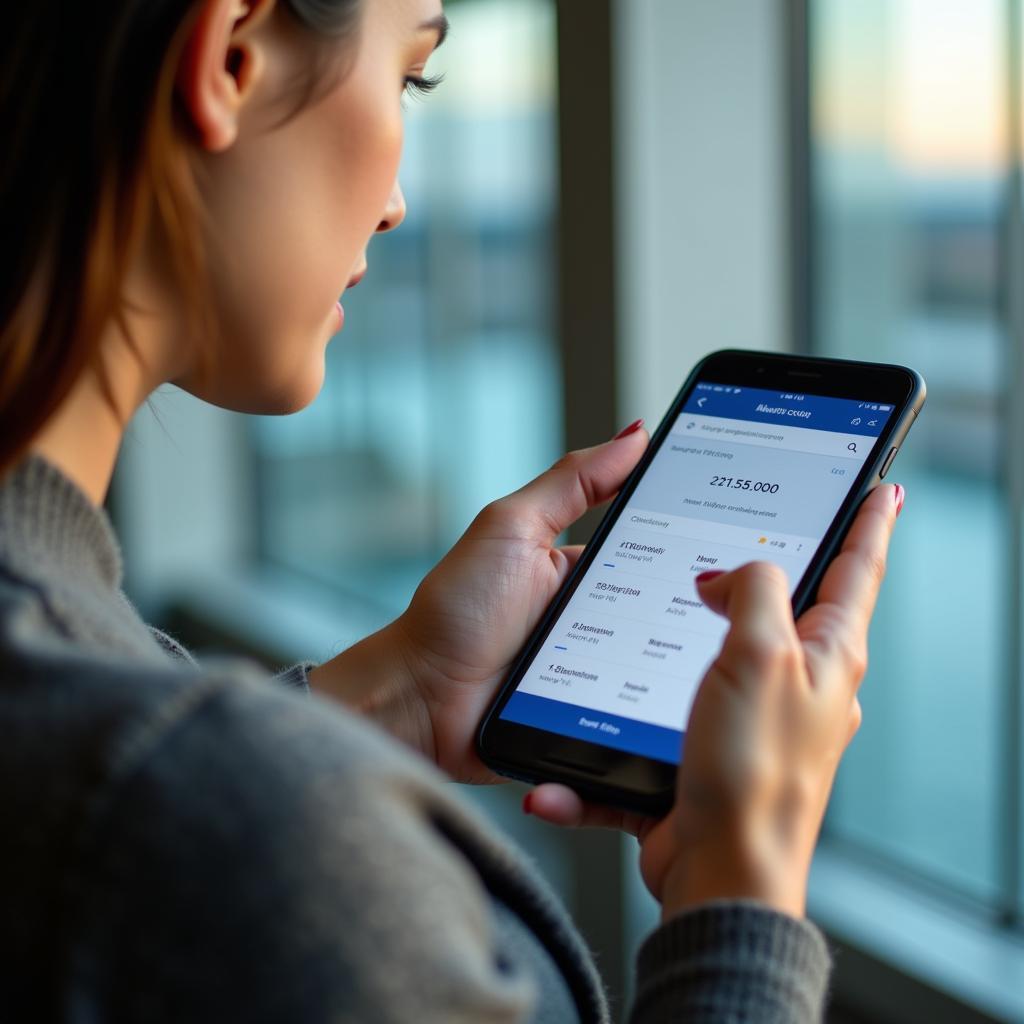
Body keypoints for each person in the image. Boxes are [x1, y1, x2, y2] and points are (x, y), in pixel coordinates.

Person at [0, 0, 904, 1020]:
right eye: (405, 76)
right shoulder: (230, 830)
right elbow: (177, 833)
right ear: (231, 59)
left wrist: (403, 694)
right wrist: (744, 888)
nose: (393, 205)